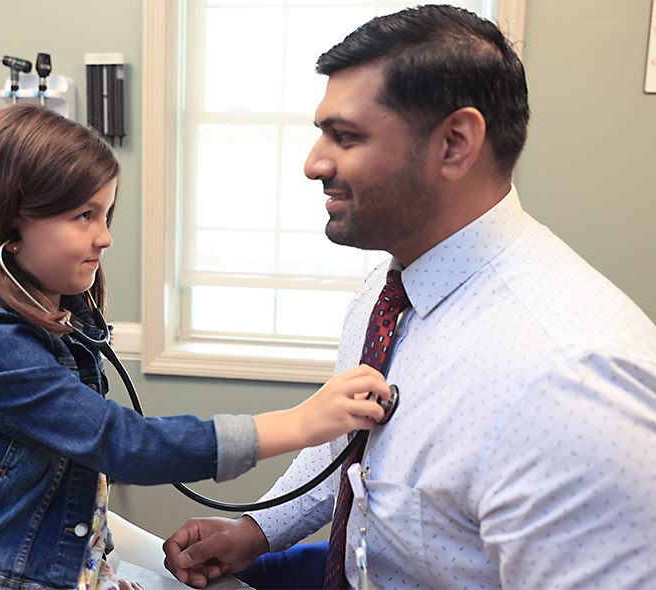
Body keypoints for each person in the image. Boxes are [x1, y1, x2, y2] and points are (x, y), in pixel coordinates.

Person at [163, 5, 656, 589]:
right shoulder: (391, 286)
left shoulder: (568, 382)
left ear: (454, 143)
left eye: (345, 136)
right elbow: (354, 449)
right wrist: (258, 530)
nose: (313, 163)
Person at [0, 104, 394, 590]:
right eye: (83, 217)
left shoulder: (61, 320)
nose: (105, 237)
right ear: (10, 227)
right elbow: (121, 443)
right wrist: (303, 422)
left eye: (106, 215)